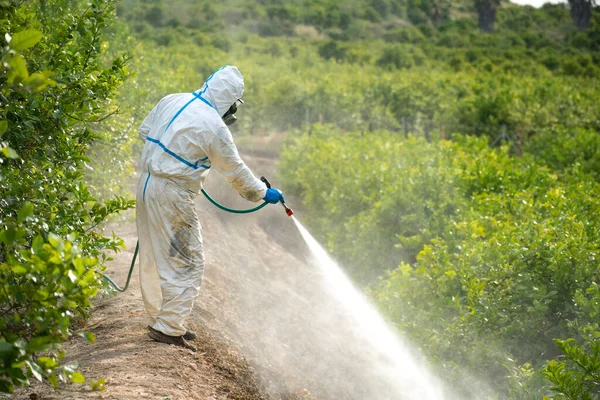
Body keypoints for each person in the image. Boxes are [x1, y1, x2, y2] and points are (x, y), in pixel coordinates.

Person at [136, 65, 284, 351]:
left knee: (158, 253)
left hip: (146, 184)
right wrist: (264, 192)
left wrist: (175, 155)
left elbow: (145, 131)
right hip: (171, 193)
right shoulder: (214, 126)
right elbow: (236, 173)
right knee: (188, 260)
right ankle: (168, 328)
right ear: (229, 99)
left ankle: (166, 319)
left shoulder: (172, 99)